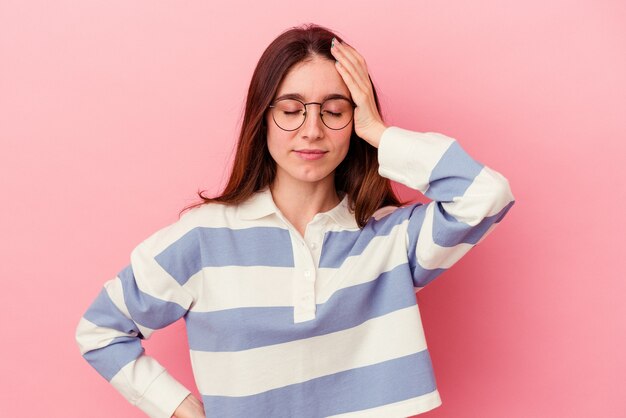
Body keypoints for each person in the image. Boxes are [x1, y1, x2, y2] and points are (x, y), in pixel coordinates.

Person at [75, 23, 515, 418]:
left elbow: (486, 195)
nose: (311, 130)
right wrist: (178, 407)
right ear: (261, 118)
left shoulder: (391, 238)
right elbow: (100, 329)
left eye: (335, 110)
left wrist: (379, 132)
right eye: (290, 110)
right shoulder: (203, 238)